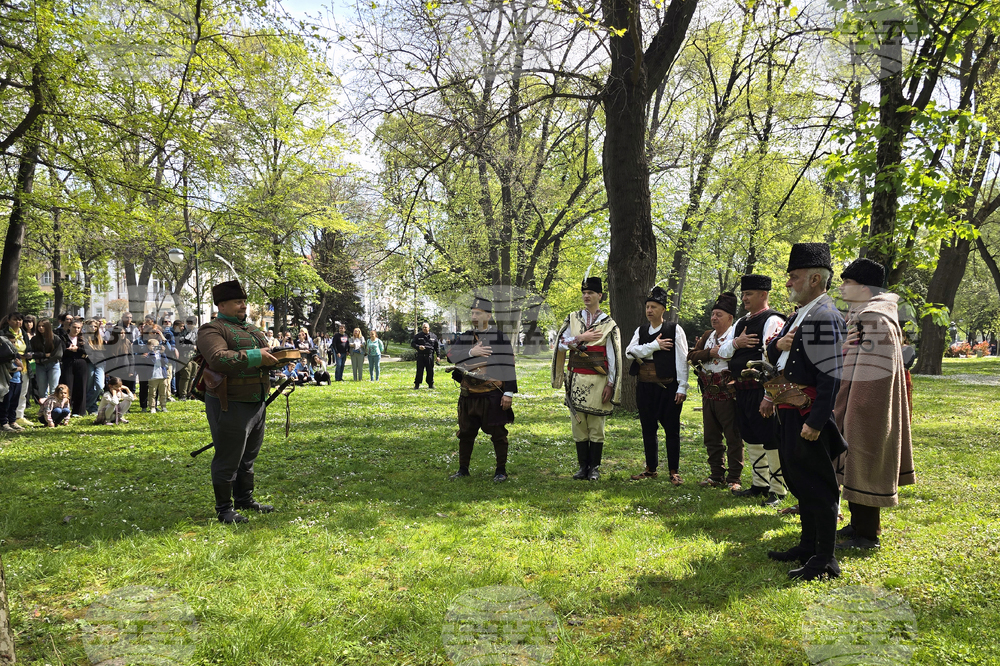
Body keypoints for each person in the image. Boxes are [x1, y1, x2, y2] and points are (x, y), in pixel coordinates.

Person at [763, 242, 847, 581]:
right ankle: (807, 544)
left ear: (815, 278)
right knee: (799, 481)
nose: (787, 283)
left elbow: (831, 375)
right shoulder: (800, 314)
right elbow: (775, 351)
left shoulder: (826, 315)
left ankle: (825, 558)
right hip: (788, 408)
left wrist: (815, 421)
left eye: (793, 277)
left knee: (819, 487)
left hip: (807, 412)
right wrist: (775, 345)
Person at [833, 258, 915, 551]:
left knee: (863, 457)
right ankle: (858, 524)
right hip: (855, 397)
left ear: (864, 288)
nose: (842, 287)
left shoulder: (874, 317)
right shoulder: (864, 314)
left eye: (848, 282)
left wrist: (860, 409)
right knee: (856, 459)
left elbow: (875, 371)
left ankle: (867, 536)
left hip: (867, 403)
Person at [196, 280, 281, 524]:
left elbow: (266, 355)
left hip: (257, 401)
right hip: (229, 402)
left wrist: (281, 358)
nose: (243, 306)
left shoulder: (253, 330)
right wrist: (257, 356)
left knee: (248, 456)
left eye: (244, 301)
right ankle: (224, 509)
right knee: (228, 457)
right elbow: (218, 358)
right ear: (222, 305)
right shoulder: (211, 330)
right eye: (237, 302)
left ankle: (244, 498)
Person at [718, 275, 789, 507]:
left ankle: (778, 490)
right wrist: (738, 343)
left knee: (770, 437)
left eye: (749, 294)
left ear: (763, 294)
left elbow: (775, 357)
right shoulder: (740, 322)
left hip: (762, 389)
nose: (744, 298)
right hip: (742, 389)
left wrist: (770, 394)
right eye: (744, 293)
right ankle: (760, 484)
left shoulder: (773, 320)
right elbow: (724, 351)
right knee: (751, 436)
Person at [551, 277, 622, 481]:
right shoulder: (572, 318)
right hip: (575, 379)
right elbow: (561, 345)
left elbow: (612, 356)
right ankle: (583, 467)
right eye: (584, 293)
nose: (586, 296)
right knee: (578, 423)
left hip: (599, 380)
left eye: (590, 293)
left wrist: (610, 383)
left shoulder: (608, 324)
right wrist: (580, 338)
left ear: (599, 295)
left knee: (596, 425)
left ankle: (595, 468)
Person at [446, 296, 517, 482]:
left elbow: (509, 365)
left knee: (498, 434)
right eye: (472, 313)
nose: (474, 317)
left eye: (478, 313)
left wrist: (508, 393)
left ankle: (501, 471)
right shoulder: (467, 336)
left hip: (492, 393)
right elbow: (450, 356)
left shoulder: (500, 337)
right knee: (466, 433)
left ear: (488, 315)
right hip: (469, 394)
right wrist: (472, 352)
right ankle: (463, 470)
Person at [625, 287, 690, 485]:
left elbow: (682, 359)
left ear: (663, 309)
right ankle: (651, 469)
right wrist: (654, 345)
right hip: (645, 388)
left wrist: (682, 387)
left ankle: (674, 471)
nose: (649, 310)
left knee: (671, 430)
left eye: (654, 307)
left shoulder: (674, 329)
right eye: (647, 306)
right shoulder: (641, 330)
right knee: (648, 429)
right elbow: (629, 353)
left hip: (668, 388)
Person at [688, 292, 742, 490]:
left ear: (730, 318)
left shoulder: (736, 336)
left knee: (733, 436)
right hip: (708, 392)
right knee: (711, 437)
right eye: (713, 314)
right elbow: (691, 356)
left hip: (728, 393)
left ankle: (734, 478)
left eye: (719, 314)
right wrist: (709, 353)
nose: (714, 318)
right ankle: (716, 474)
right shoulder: (707, 336)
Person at [0, 313, 27, 431]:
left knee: (14, 402)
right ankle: (4, 422)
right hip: (9, 380)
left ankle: (13, 421)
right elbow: (10, 368)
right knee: (6, 402)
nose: (13, 345)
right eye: (11, 343)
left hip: (18, 380)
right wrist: (20, 367)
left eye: (15, 342)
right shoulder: (5, 355)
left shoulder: (16, 353)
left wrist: (21, 368)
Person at [60, 320, 89, 417]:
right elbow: (62, 351)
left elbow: (88, 351)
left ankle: (79, 411)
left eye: (78, 328)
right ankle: (65, 409)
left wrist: (77, 349)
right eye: (74, 327)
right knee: (67, 386)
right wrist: (73, 351)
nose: (76, 330)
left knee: (81, 386)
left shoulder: (83, 339)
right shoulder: (63, 338)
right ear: (69, 327)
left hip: (81, 364)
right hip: (67, 364)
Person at [30, 318, 64, 401]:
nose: (40, 328)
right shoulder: (34, 339)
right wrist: (45, 355)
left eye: (43, 326)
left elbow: (58, 355)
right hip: (40, 366)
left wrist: (42, 358)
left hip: (53, 365)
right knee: (42, 390)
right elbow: (31, 353)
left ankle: (53, 409)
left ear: (48, 327)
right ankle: (44, 409)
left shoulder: (55, 338)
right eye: (39, 326)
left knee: (53, 388)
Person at [82, 319, 106, 415]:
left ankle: (85, 405)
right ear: (87, 327)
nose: (93, 328)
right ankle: (93, 408)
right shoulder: (83, 338)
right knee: (89, 385)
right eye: (91, 326)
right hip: (89, 363)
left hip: (100, 363)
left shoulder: (100, 338)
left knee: (100, 386)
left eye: (95, 326)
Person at [411, 322, 438, 389]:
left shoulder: (433, 336)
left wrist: (438, 356)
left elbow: (437, 347)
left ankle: (430, 384)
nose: (424, 329)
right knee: (419, 371)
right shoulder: (418, 336)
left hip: (429, 356)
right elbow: (413, 343)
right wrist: (418, 347)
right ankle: (417, 385)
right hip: (421, 356)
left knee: (430, 371)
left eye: (425, 327)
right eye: (423, 327)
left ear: (428, 328)